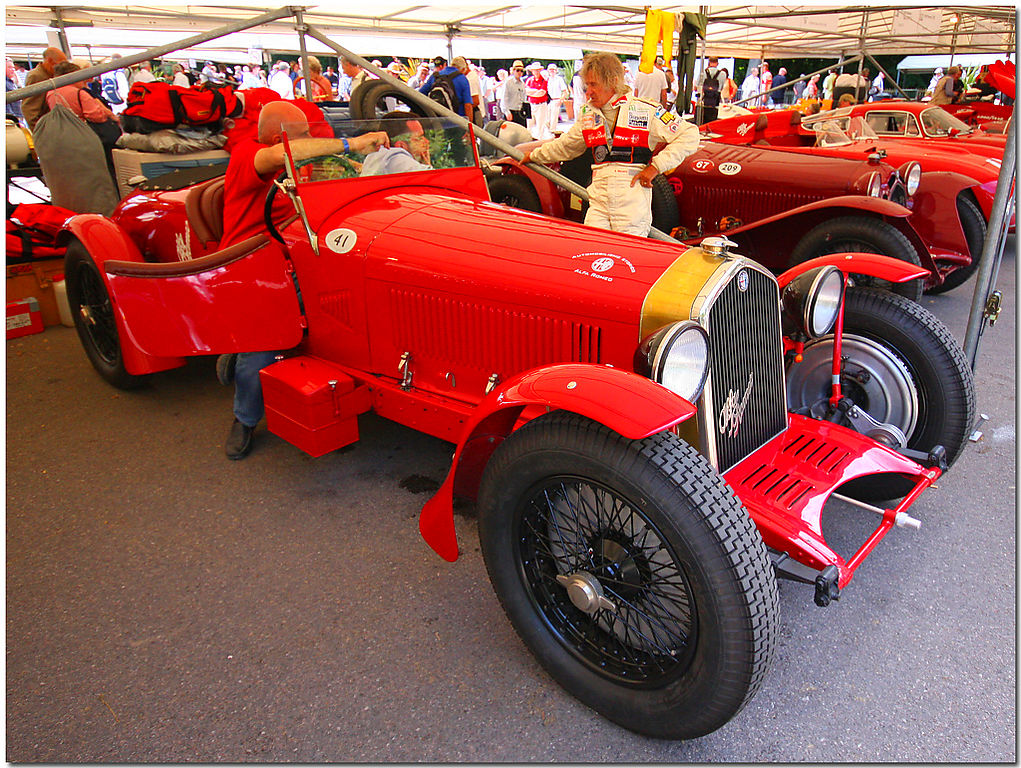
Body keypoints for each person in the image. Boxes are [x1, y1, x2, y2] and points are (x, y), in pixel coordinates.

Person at [219, 101, 389, 459]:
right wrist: (350, 143)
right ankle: (245, 418)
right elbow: (283, 154)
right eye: (303, 136)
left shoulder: (297, 160)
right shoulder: (249, 155)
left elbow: (334, 175)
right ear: (274, 136)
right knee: (262, 345)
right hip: (252, 267)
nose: (310, 141)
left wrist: (371, 166)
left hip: (298, 256)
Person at [519, 52, 699, 237]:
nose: (588, 92)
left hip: (632, 195)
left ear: (613, 81)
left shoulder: (645, 110)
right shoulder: (589, 114)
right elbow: (566, 145)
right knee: (593, 250)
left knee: (626, 254)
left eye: (593, 84)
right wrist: (534, 155)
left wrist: (656, 167)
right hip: (598, 195)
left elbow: (690, 134)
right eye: (587, 85)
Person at [45, 60, 121, 180]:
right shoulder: (79, 93)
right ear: (73, 76)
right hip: (88, 138)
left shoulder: (50, 94)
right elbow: (97, 116)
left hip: (65, 138)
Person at [360, 110, 433, 175]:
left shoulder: (376, 155)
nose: (427, 142)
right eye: (419, 138)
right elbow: (436, 180)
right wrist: (428, 166)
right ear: (401, 146)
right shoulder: (395, 158)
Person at [22, 46, 67, 130]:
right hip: (46, 129)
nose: (62, 67)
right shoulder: (36, 76)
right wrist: (40, 131)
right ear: (49, 61)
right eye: (60, 64)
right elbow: (29, 108)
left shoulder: (50, 75)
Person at [419, 55, 473, 122]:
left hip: (436, 119)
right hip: (457, 122)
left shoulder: (435, 76)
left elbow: (419, 94)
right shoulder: (462, 78)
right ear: (462, 69)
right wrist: (470, 127)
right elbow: (467, 105)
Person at [524, 61, 549, 138]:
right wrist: (535, 91)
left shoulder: (544, 80)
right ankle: (528, 139)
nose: (536, 72)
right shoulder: (529, 80)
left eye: (538, 70)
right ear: (532, 71)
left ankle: (539, 140)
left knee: (540, 126)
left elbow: (542, 93)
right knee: (529, 125)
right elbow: (525, 91)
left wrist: (532, 92)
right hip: (531, 104)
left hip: (541, 105)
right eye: (534, 70)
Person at [696, 56, 724, 124]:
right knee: (713, 123)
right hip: (715, 103)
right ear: (717, 63)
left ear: (709, 62)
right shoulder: (722, 74)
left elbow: (697, 85)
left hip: (703, 102)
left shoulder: (703, 73)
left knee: (702, 123)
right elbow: (721, 87)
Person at [501, 61, 527, 126]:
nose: (519, 73)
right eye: (518, 70)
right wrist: (507, 112)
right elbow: (504, 98)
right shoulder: (508, 82)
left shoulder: (522, 83)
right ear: (513, 71)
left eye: (521, 71)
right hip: (511, 112)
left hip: (520, 112)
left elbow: (524, 98)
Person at [545, 63, 568, 134]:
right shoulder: (546, 79)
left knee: (553, 120)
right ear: (548, 71)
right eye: (550, 69)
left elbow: (565, 91)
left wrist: (561, 100)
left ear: (556, 70)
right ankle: (549, 132)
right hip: (547, 101)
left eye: (553, 69)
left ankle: (552, 133)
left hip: (556, 100)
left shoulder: (559, 79)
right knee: (546, 120)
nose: (552, 71)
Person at [6, 58, 24, 124]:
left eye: (13, 67)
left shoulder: (11, 81)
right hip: (11, 119)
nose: (13, 70)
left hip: (16, 118)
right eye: (9, 67)